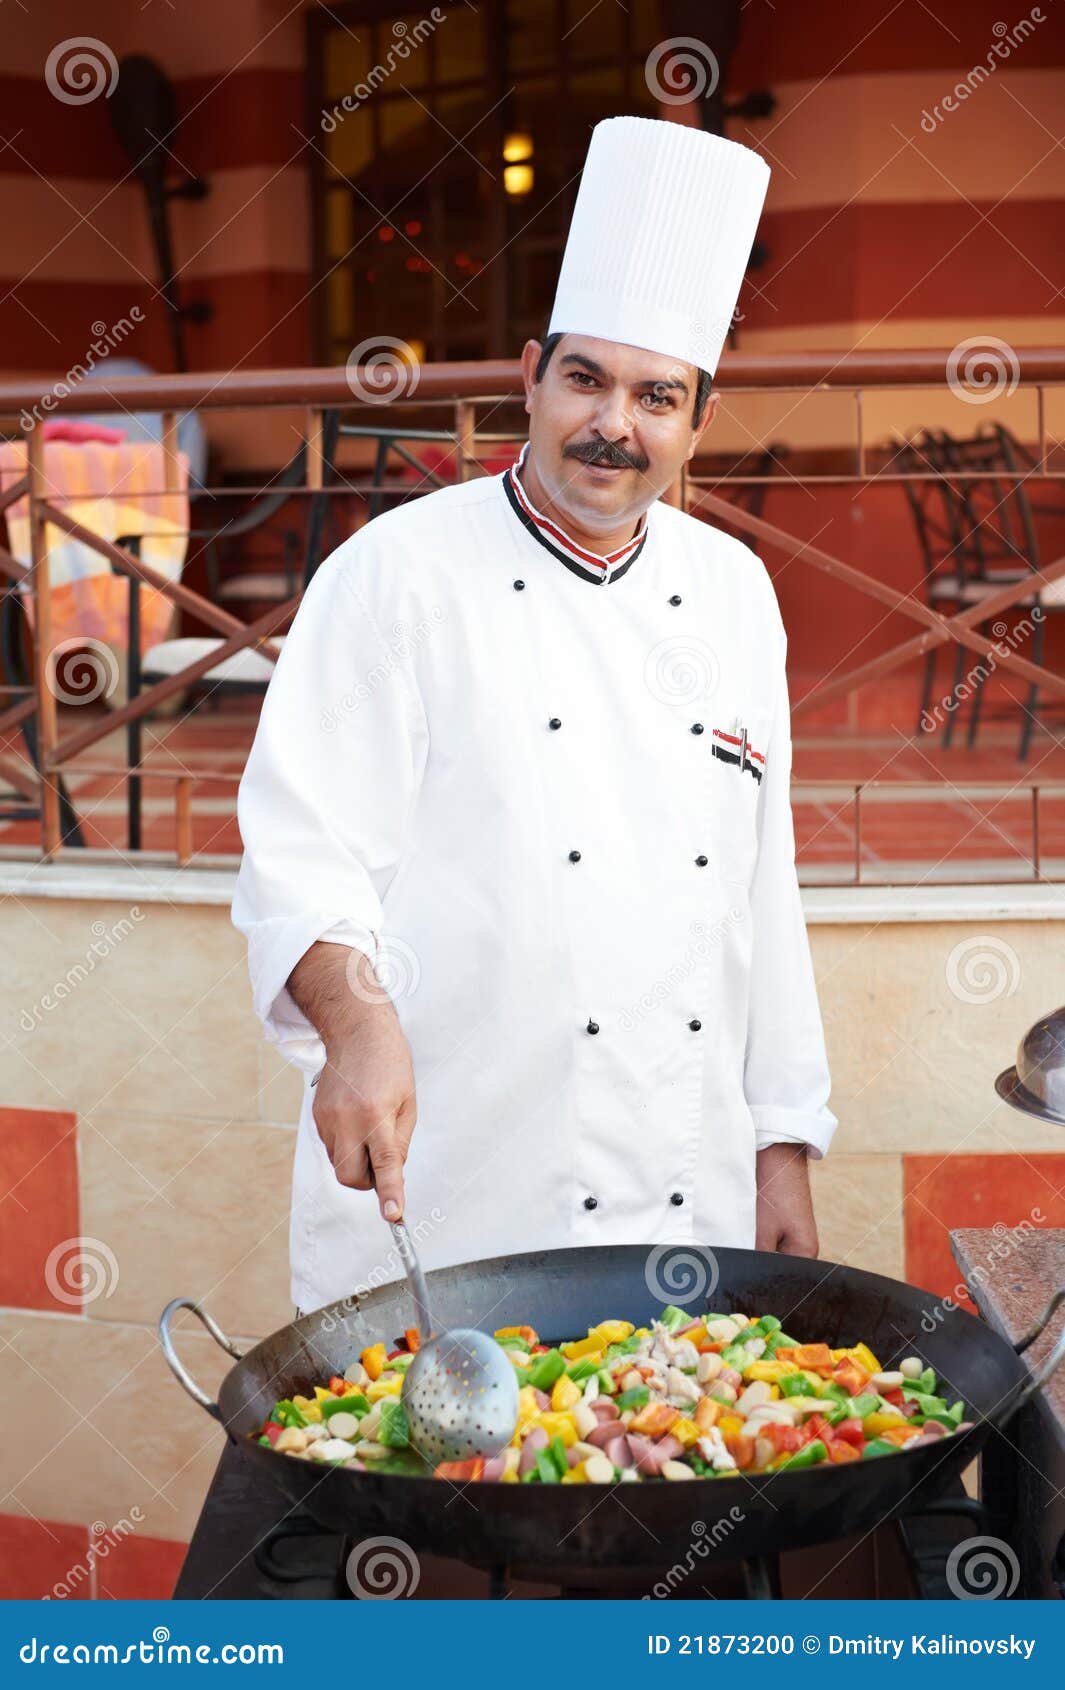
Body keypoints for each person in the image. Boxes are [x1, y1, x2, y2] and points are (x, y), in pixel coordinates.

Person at [232, 116, 837, 1316]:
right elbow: (302, 856)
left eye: (656, 394)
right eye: (586, 378)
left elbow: (764, 891)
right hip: (456, 1184)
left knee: (671, 1468)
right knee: (436, 1481)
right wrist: (353, 1030)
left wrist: (782, 1145)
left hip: (687, 1195)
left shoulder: (734, 592)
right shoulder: (392, 576)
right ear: (530, 375)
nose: (615, 421)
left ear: (697, 424)